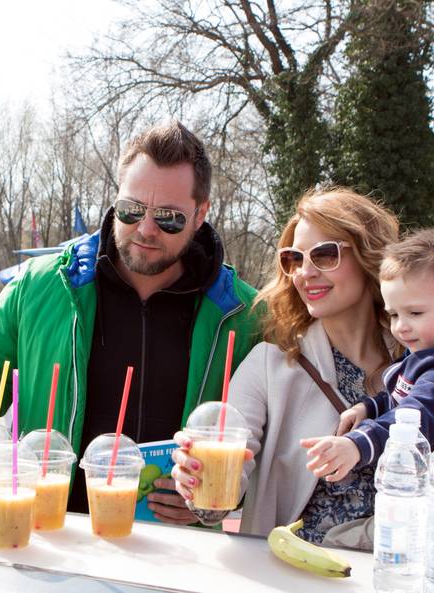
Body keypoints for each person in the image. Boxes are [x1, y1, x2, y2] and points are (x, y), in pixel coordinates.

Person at [0, 120, 261, 524]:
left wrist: (217, 500)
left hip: (175, 549)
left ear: (200, 214)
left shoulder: (244, 314)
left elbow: (267, 445)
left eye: (169, 218)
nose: (145, 229)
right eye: (131, 210)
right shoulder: (42, 285)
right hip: (52, 530)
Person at [171, 187, 401, 546]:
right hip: (295, 573)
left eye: (325, 255)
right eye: (294, 259)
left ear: (369, 256)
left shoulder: (418, 364)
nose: (306, 273)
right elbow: (223, 492)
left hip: (399, 570)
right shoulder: (269, 364)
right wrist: (199, 481)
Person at [303, 228, 434, 486]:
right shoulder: (429, 353)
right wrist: (369, 407)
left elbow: (414, 416)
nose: (400, 327)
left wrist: (356, 444)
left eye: (415, 313)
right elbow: (402, 395)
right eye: (394, 315)